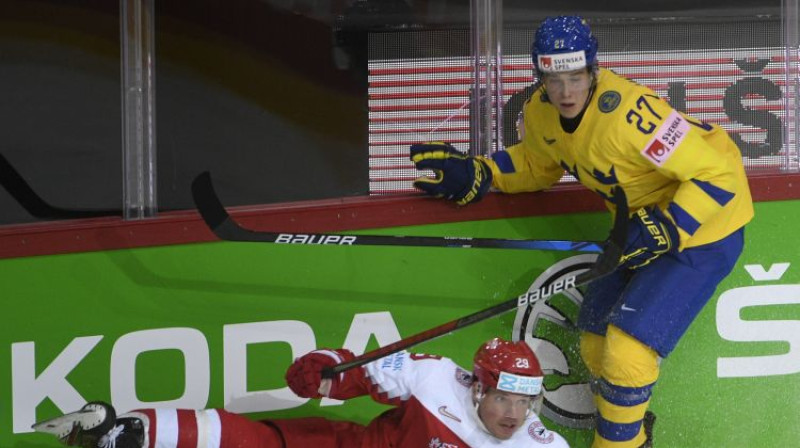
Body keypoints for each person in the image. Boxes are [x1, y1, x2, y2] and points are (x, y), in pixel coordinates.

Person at [409, 15, 753, 448]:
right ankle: (633, 435)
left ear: (593, 70)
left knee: (627, 353)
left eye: (576, 77)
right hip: (639, 227)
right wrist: (484, 172)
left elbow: (720, 174)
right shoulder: (541, 111)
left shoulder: (629, 115)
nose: (566, 92)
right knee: (593, 346)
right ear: (541, 76)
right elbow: (538, 164)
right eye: (554, 79)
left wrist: (669, 224)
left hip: (706, 231)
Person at [34, 338, 569, 448]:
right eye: (504, 399)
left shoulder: (539, 445)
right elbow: (362, 369)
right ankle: (129, 429)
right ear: (476, 386)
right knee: (256, 442)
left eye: (525, 403)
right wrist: (323, 370)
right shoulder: (434, 377)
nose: (514, 414)